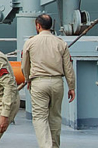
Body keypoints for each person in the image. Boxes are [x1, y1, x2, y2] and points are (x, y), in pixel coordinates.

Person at [21, 14, 76, 148]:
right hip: (57, 82)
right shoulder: (61, 43)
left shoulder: (30, 42)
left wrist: (28, 79)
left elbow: (24, 66)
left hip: (39, 82)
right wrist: (71, 87)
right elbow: (68, 67)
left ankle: (46, 146)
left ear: (38, 25)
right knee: (55, 117)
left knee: (40, 117)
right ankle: (55, 145)